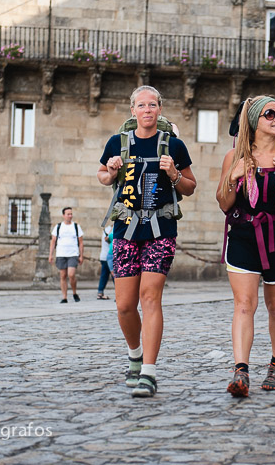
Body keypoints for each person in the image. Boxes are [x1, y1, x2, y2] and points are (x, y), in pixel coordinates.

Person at [97, 85, 196, 398]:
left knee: (150, 297)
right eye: (142, 105)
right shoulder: (118, 142)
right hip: (125, 228)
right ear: (133, 111)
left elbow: (191, 186)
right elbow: (101, 175)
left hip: (161, 228)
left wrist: (175, 175)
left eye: (153, 105)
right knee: (125, 305)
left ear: (160, 109)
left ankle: (149, 373)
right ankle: (135, 356)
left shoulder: (173, 146)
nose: (148, 110)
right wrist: (111, 170)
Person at [216, 96, 275, 398]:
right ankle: (241, 370)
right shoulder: (234, 156)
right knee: (245, 305)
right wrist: (232, 178)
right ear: (254, 121)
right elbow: (223, 203)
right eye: (269, 113)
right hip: (244, 237)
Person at [48, 207, 84, 303]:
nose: (70, 216)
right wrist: (50, 255)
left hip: (73, 254)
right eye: (68, 214)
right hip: (61, 254)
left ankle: (74, 292)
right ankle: (64, 297)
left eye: (71, 214)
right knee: (63, 276)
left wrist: (81, 255)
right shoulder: (58, 227)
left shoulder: (76, 226)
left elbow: (81, 242)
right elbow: (53, 241)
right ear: (63, 215)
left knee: (71, 275)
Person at [96, 226, 113, 300]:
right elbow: (108, 240)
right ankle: (119, 293)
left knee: (104, 275)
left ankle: (100, 292)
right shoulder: (110, 230)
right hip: (109, 255)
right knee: (114, 276)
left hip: (104, 256)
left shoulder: (107, 229)